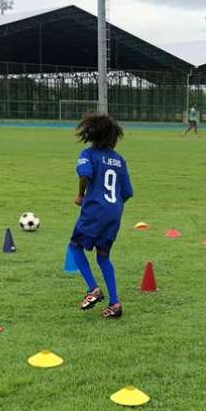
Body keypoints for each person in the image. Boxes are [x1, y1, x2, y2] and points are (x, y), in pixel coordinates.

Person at [68, 112, 133, 319]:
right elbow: (128, 192)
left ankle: (93, 289)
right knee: (103, 256)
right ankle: (114, 304)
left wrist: (81, 195)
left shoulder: (88, 154)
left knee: (75, 246)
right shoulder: (120, 160)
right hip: (115, 214)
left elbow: (85, 174)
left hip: (95, 210)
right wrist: (112, 207)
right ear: (113, 137)